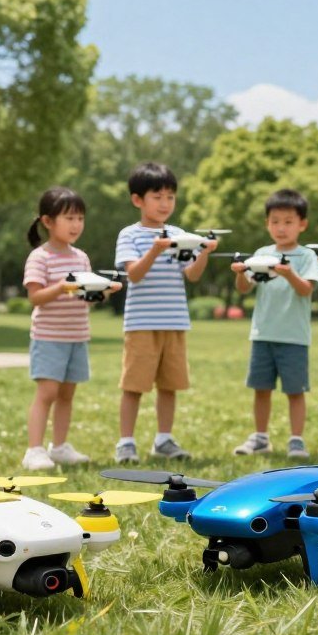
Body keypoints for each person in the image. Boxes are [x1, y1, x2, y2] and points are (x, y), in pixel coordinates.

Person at [114, 162, 217, 464]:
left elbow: (193, 275)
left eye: (170, 197)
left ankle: (164, 439)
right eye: (157, 197)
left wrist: (204, 253)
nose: (165, 203)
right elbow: (133, 274)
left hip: (174, 322)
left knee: (169, 385)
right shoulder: (129, 235)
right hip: (142, 324)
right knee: (134, 386)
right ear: (138, 200)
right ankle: (126, 442)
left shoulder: (179, 234)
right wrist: (156, 250)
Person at [22, 187, 117, 471]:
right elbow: (35, 297)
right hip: (49, 337)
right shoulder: (40, 257)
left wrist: (101, 292)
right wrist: (62, 287)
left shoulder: (81, 257)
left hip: (77, 336)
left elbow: (85, 300)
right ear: (48, 221)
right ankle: (34, 450)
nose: (76, 224)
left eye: (80, 218)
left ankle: (60, 447)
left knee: (67, 395)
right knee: (47, 393)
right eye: (70, 218)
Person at [231, 189, 318, 459]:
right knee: (261, 389)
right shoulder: (261, 253)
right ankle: (260, 437)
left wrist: (288, 272)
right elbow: (245, 288)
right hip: (262, 334)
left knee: (295, 391)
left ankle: (296, 440)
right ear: (267, 223)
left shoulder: (306, 257)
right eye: (275, 221)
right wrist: (241, 272)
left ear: (302, 224)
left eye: (288, 221)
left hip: (294, 337)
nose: (281, 228)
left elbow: (306, 290)